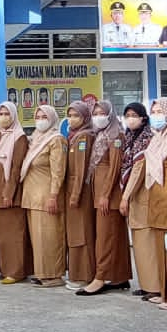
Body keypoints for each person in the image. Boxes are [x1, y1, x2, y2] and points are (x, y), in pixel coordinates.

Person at [121, 98, 167, 311]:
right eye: (155, 111)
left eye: (161, 111)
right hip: (157, 199)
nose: (157, 115)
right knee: (162, 251)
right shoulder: (160, 138)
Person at [76, 100, 133, 295]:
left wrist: (106, 195)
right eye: (96, 113)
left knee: (105, 238)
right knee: (114, 236)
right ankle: (120, 276)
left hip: (109, 194)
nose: (98, 116)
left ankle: (100, 277)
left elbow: (115, 167)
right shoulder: (100, 134)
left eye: (102, 113)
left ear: (110, 115)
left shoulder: (116, 135)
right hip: (99, 192)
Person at [21, 104, 68, 289]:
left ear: (52, 119)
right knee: (38, 239)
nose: (40, 120)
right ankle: (42, 273)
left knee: (50, 237)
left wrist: (53, 195)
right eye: (38, 116)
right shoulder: (35, 139)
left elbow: (59, 171)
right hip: (32, 195)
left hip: (47, 196)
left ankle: (54, 274)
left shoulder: (56, 140)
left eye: (44, 117)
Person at [118, 102, 154, 297]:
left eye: (134, 114)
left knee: (147, 244)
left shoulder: (147, 138)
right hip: (133, 196)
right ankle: (146, 284)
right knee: (139, 245)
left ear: (143, 117)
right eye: (127, 115)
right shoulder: (130, 137)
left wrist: (125, 197)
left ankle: (154, 286)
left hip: (142, 194)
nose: (130, 118)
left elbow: (138, 169)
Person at [0, 101, 30, 284]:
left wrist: (9, 192)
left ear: (14, 116)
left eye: (7, 114)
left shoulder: (19, 137)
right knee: (4, 235)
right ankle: (6, 268)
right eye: (1, 113)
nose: (4, 117)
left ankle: (16, 271)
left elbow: (15, 168)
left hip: (10, 192)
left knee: (15, 234)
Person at [62, 101, 96, 290]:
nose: (72, 119)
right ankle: (76, 273)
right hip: (71, 191)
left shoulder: (84, 137)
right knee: (74, 235)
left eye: (76, 116)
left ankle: (85, 275)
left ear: (85, 118)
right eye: (70, 115)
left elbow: (81, 171)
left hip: (80, 193)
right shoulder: (72, 136)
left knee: (82, 234)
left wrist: (75, 195)